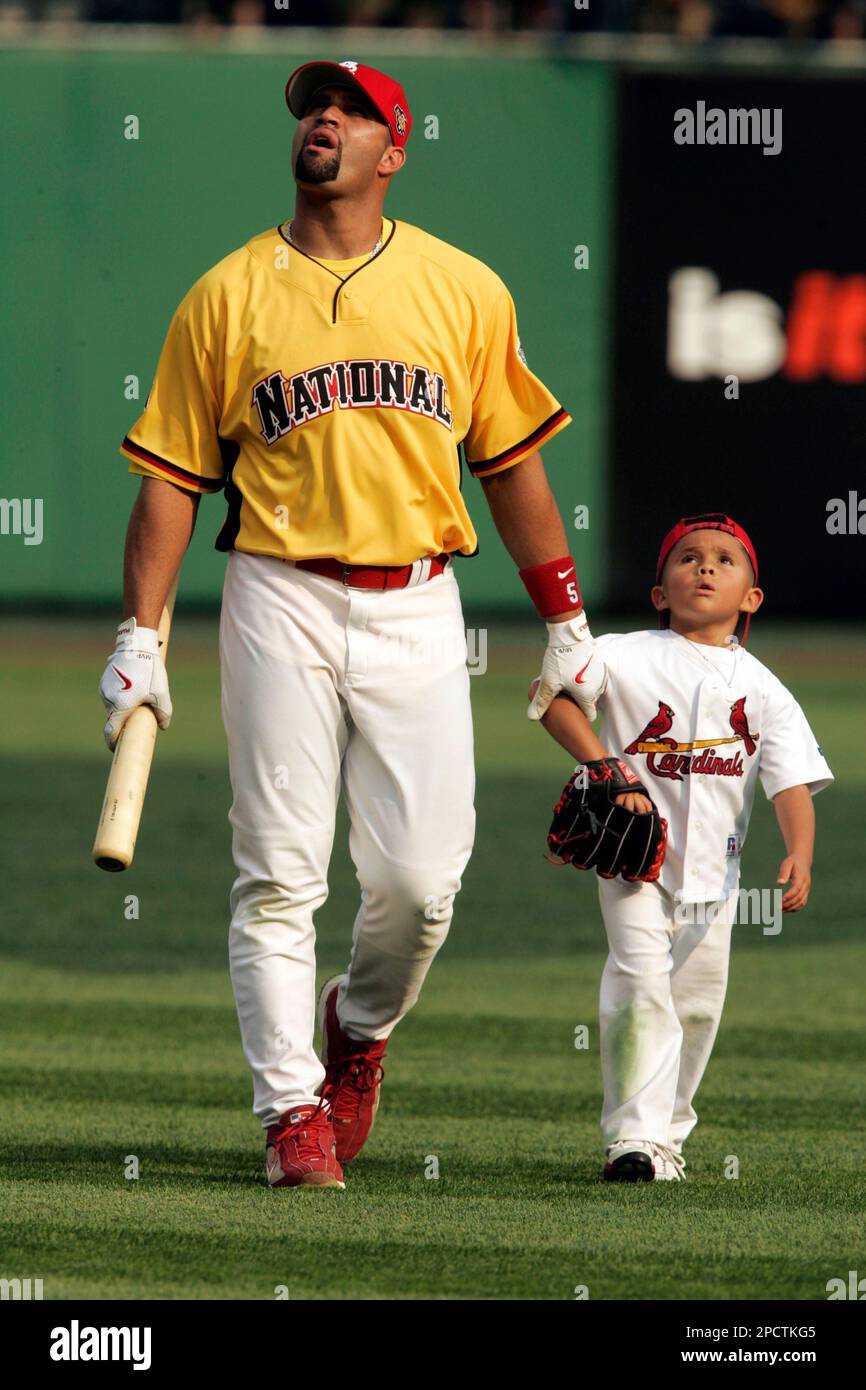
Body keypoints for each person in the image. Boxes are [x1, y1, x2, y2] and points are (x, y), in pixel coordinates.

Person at [99, 59, 605, 1190]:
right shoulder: (226, 293)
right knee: (279, 871)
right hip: (276, 592)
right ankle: (290, 1111)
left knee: (423, 883)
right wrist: (140, 634)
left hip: (419, 601)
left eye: (352, 110)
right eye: (312, 108)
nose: (324, 119)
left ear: (394, 150)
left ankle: (359, 1026)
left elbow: (511, 465)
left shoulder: (461, 288)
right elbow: (172, 477)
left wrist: (565, 619)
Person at [529, 513, 833, 1181]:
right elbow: (551, 698)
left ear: (751, 598)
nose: (706, 567)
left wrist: (800, 851)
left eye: (725, 560)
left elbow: (791, 783)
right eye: (688, 558)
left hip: (717, 879)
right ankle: (632, 1141)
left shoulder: (765, 688)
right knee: (639, 983)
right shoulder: (623, 653)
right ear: (659, 592)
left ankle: (666, 1139)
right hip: (634, 863)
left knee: (695, 1008)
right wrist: (605, 767)